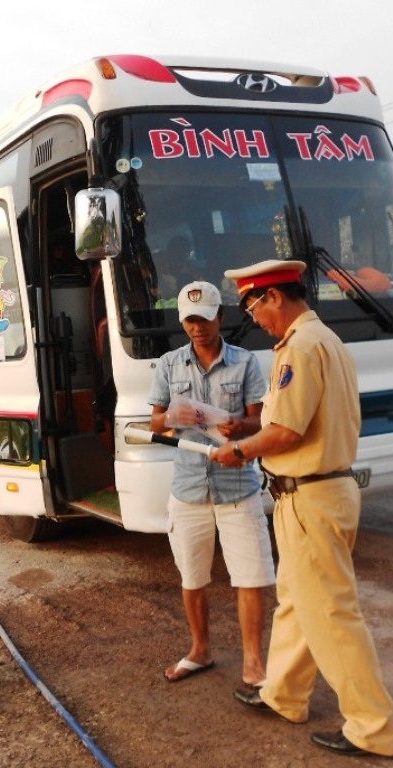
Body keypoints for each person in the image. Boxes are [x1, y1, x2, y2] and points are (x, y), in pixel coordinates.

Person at [211, 260, 393, 759]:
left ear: (274, 297)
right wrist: (248, 434)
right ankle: (285, 694)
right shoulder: (326, 340)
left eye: (254, 308)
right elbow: (293, 422)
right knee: (298, 602)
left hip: (309, 496)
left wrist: (240, 450)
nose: (256, 320)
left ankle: (372, 727)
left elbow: (287, 432)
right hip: (318, 491)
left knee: (333, 616)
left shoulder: (300, 346)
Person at [148, 281, 275, 687]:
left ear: (220, 317)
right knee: (192, 576)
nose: (197, 327)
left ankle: (254, 663)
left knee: (251, 575)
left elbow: (260, 420)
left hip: (237, 484)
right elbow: (155, 421)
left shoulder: (245, 363)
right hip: (188, 486)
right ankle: (200, 650)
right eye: (189, 320)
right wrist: (176, 417)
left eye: (204, 319)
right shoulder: (169, 364)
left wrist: (241, 425)